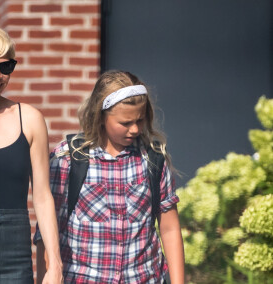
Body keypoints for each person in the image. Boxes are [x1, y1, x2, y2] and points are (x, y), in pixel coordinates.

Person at [34, 70, 184, 283]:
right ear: (101, 117)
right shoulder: (68, 158)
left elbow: (169, 229)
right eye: (125, 123)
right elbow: (47, 234)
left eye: (140, 121)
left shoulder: (153, 158)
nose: (134, 129)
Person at [0, 24, 63, 284]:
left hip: (13, 250)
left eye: (6, 66)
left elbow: (43, 196)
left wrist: (54, 264)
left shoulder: (30, 119)